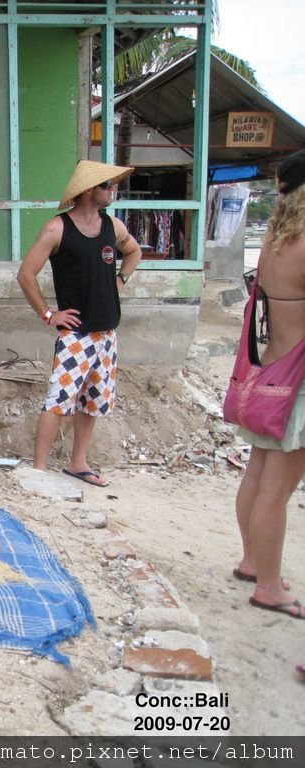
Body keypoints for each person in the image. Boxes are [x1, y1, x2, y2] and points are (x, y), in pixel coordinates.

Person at [17, 160, 142, 487]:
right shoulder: (57, 229)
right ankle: (39, 471)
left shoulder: (112, 226)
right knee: (59, 401)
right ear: (89, 190)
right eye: (107, 185)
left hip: (107, 332)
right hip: (76, 335)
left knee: (93, 402)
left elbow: (134, 252)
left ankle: (78, 463)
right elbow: (26, 274)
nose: (112, 190)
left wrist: (121, 280)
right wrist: (48, 314)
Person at [232, 149, 305, 620]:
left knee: (257, 477)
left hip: (268, 378)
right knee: (276, 492)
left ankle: (254, 561)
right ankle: (269, 587)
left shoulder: (276, 245)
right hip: (299, 384)